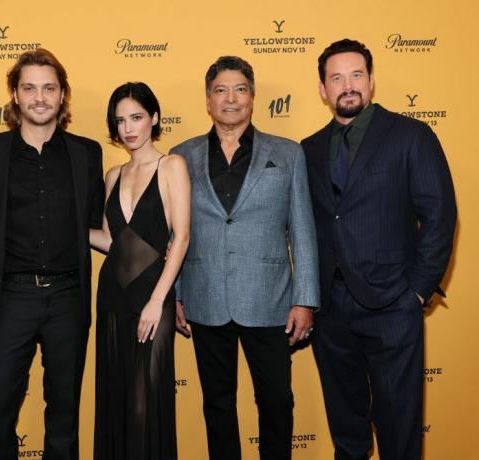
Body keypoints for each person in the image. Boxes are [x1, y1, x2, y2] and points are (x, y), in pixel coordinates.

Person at [301, 38, 456, 459]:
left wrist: (417, 291)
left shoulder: (410, 135)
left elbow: (440, 215)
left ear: (371, 81)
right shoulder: (309, 149)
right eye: (336, 78)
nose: (347, 85)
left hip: (392, 304)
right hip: (330, 312)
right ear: (322, 89)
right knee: (347, 431)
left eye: (356, 75)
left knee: (399, 430)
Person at [171, 56, 319, 460]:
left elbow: (303, 231)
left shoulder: (288, 154)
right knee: (217, 404)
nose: (230, 98)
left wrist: (304, 299)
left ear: (253, 97)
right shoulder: (181, 155)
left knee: (276, 402)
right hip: (205, 297)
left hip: (270, 300)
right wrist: (176, 293)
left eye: (239, 89)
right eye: (220, 90)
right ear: (208, 100)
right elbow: (175, 233)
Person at [0, 49, 104, 460]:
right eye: (29, 88)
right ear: (15, 95)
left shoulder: (86, 153)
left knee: (64, 416)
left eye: (49, 88)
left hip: (68, 297)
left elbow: (97, 225)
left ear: (62, 95)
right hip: (10, 298)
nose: (39, 97)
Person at [90, 82, 190, 460]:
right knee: (117, 396)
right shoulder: (113, 175)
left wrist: (157, 301)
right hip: (113, 295)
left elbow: (181, 238)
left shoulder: (171, 166)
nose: (128, 128)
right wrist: (66, 227)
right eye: (120, 121)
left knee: (144, 400)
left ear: (155, 118)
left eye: (136, 117)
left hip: (153, 295)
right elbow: (110, 238)